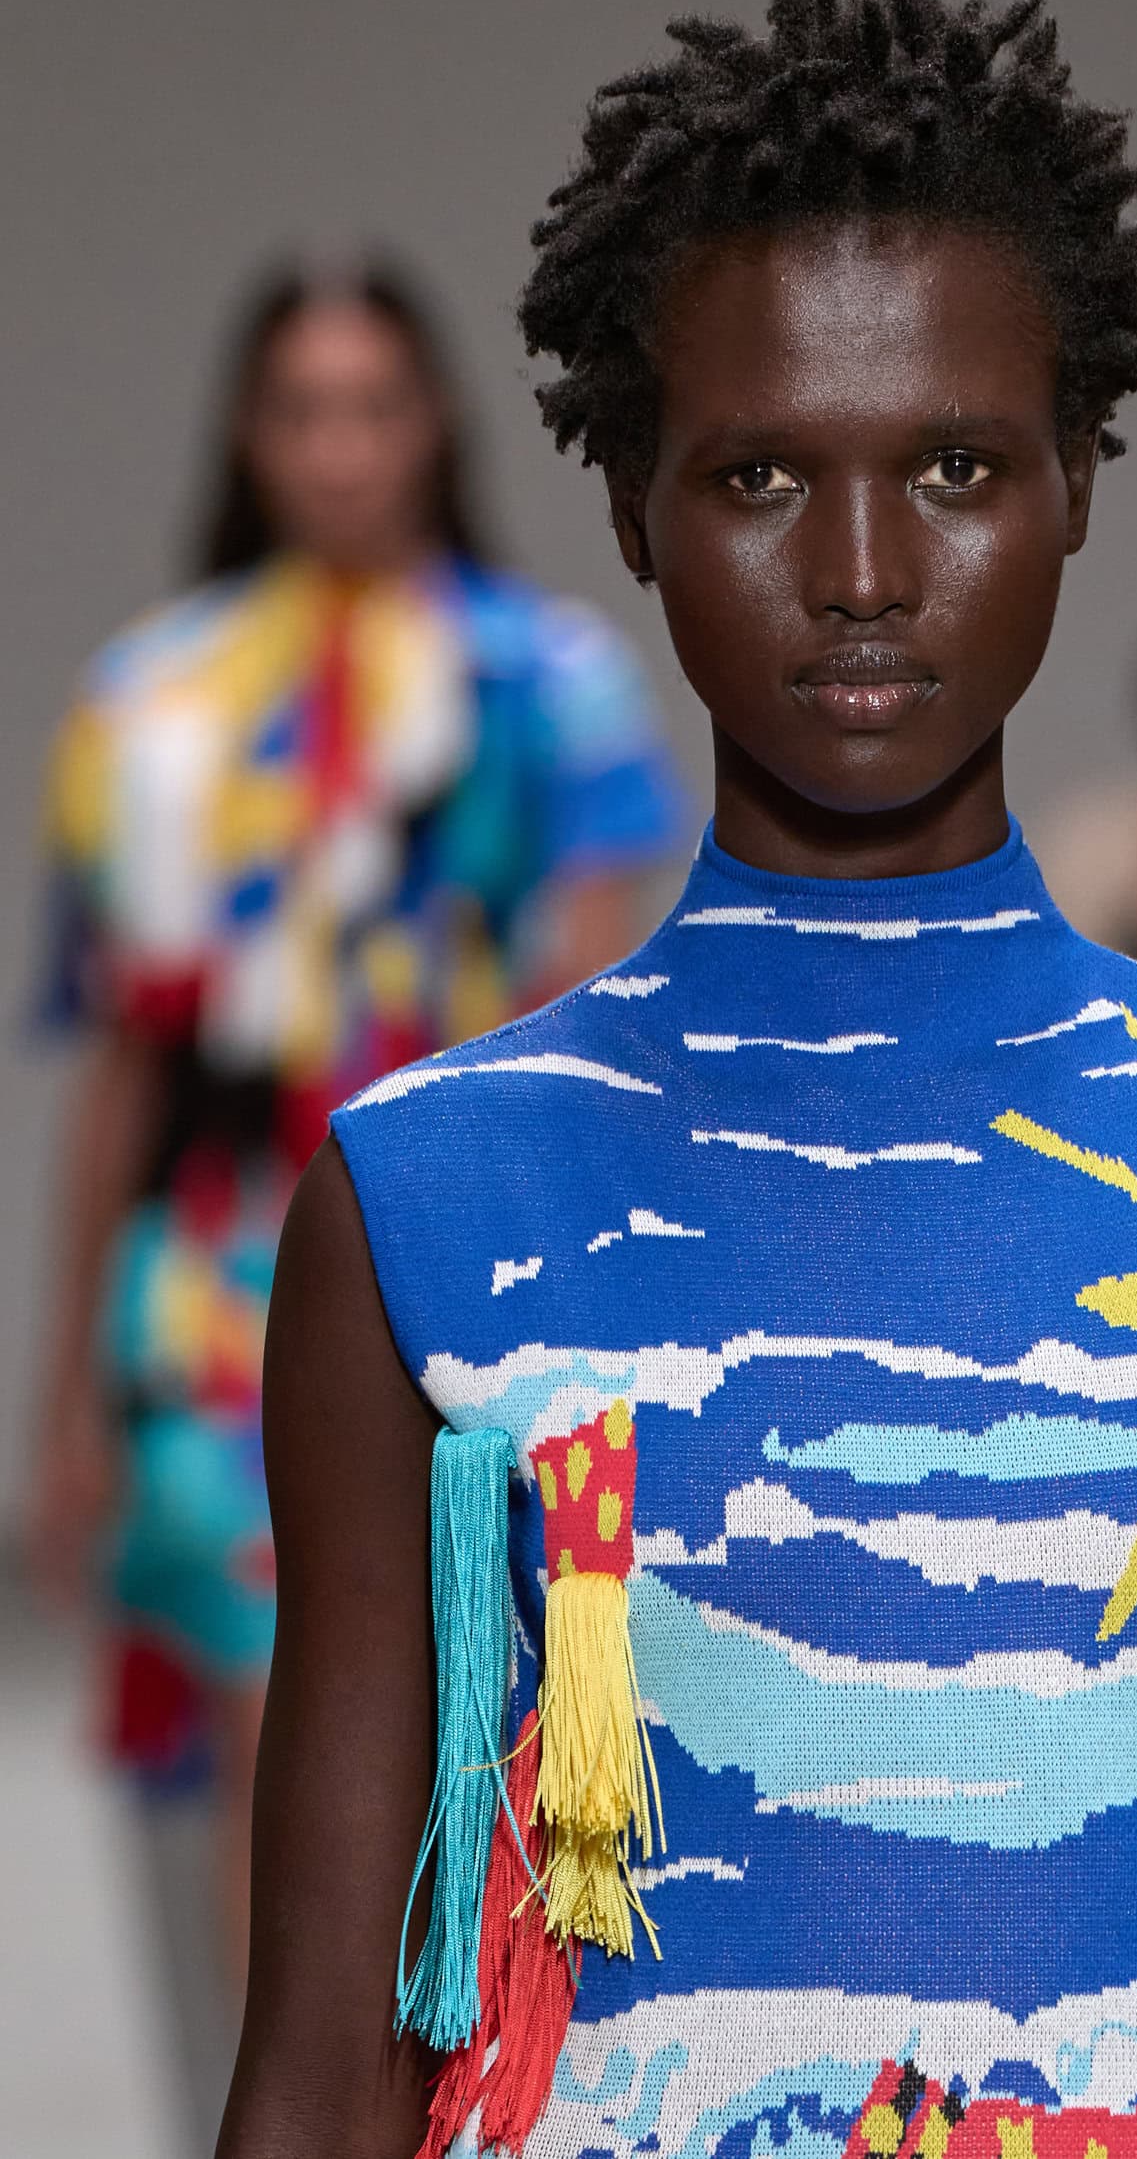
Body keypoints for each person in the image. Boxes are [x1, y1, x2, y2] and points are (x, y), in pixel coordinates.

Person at [219, 0, 1137, 2159]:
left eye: (954, 465)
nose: (857, 568)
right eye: (755, 478)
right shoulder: (431, 1195)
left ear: (1080, 476)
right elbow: (335, 2043)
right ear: (629, 507)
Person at [29, 262, 685, 2001]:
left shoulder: (549, 683)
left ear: (436, 420)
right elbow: (125, 1064)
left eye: (373, 406)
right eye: (303, 410)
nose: (339, 449)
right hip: (214, 1282)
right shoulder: (147, 705)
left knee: (468, 1704)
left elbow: (588, 1019)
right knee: (273, 1714)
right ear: (248, 434)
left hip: (469, 1254)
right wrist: (63, 1394)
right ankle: (296, 2098)